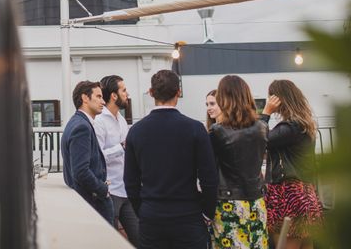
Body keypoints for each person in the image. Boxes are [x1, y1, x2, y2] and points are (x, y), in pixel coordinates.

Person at [124, 69, 217, 249]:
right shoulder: (195, 129)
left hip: (151, 215)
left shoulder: (136, 131)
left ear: (151, 93)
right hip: (188, 215)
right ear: (178, 92)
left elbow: (130, 181)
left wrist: (142, 211)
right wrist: (208, 213)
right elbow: (209, 178)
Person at [261, 80, 323, 249]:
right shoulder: (303, 125)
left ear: (279, 98)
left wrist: (265, 113)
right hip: (304, 193)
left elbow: (260, 140)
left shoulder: (290, 127)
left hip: (287, 194)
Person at [210, 75, 268, 249]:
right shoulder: (262, 128)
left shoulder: (218, 131)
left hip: (229, 203)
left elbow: (209, 169)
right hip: (257, 202)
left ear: (223, 98)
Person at [93, 75, 139, 246]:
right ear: (114, 95)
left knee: (139, 239)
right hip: (109, 192)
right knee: (110, 242)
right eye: (124, 90)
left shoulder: (121, 119)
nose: (127, 94)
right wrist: (121, 147)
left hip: (127, 189)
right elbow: (97, 157)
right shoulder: (99, 121)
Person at [61, 80, 114, 224]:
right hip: (93, 204)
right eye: (98, 96)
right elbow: (80, 171)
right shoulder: (81, 127)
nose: (103, 101)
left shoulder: (76, 122)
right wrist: (102, 189)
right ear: (85, 98)